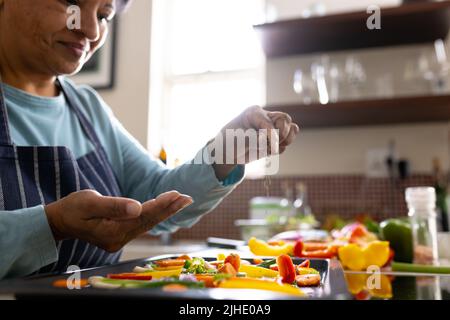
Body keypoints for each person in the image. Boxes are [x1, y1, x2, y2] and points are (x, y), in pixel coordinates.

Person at [0, 0, 299, 279]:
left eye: (104, 15)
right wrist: (52, 224)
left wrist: (223, 153)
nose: (90, 30)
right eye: (71, 3)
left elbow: (155, 193)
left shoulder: (87, 107)